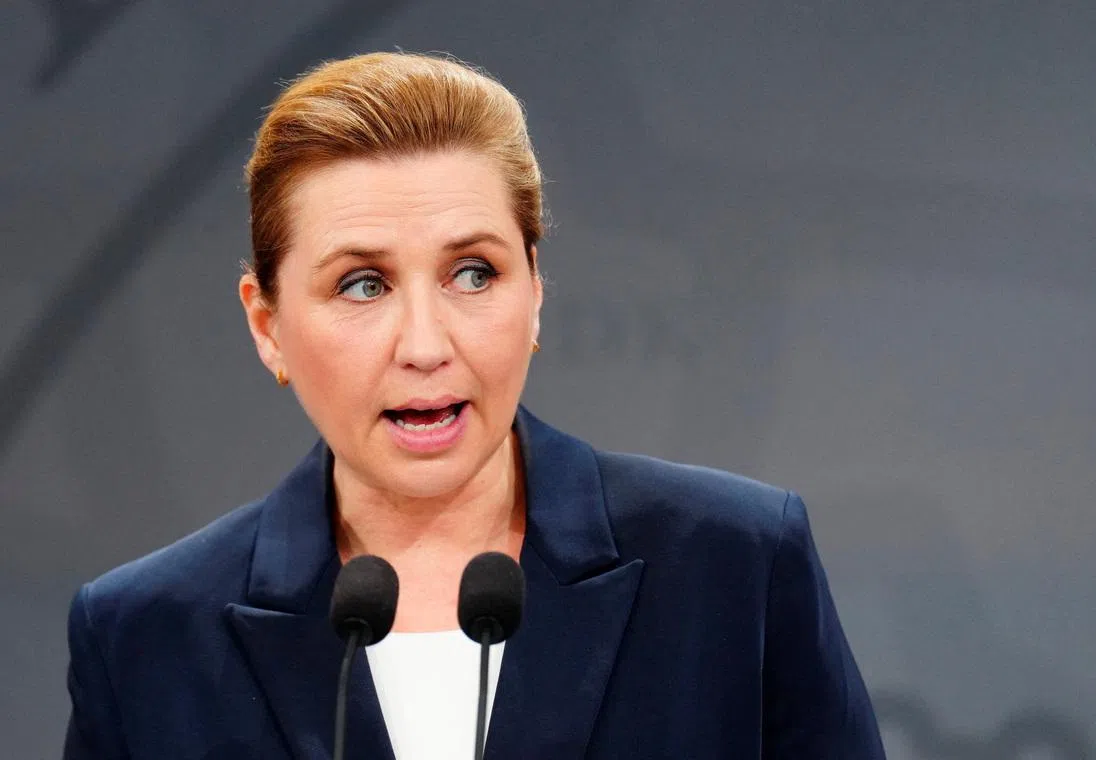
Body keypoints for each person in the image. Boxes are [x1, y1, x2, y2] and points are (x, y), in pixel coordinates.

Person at [62, 51, 885, 759]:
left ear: (535, 290)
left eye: (473, 273)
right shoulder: (146, 635)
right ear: (267, 323)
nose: (425, 343)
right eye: (363, 285)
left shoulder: (733, 565)